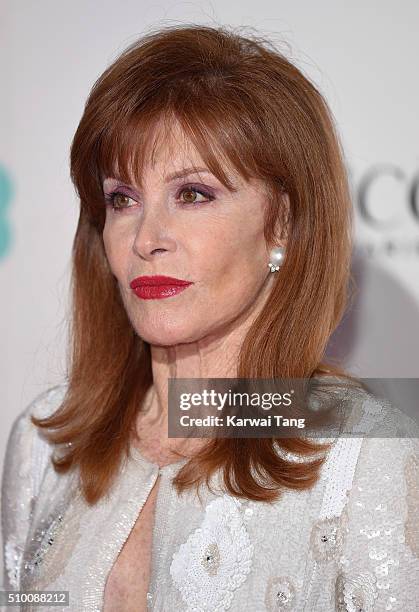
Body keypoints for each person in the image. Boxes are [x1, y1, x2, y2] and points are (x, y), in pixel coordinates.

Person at [2, 23, 419, 612]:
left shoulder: (360, 457)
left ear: (282, 225)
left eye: (193, 194)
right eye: (123, 198)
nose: (147, 238)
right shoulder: (44, 443)